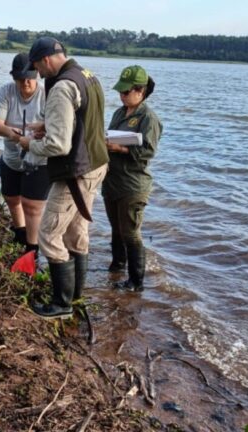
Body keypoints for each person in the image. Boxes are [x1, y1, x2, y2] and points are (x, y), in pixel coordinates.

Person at [18, 37, 109, 319]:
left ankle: (61, 304)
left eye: (36, 67)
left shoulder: (61, 87)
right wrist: (45, 124)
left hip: (74, 173)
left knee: (48, 234)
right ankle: (77, 296)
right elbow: (82, 119)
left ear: (46, 60)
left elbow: (59, 146)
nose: (36, 74)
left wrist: (28, 143)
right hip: (97, 165)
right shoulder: (88, 76)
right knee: (77, 231)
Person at [102, 65, 162, 292]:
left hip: (133, 185)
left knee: (130, 232)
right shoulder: (119, 113)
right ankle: (117, 267)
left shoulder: (148, 118)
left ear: (141, 91)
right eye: (121, 91)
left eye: (126, 92)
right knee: (115, 229)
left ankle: (136, 282)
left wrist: (121, 148)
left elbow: (148, 152)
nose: (122, 95)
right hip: (112, 181)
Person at [0, 53, 48, 254]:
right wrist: (15, 136)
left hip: (38, 160)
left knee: (31, 206)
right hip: (11, 157)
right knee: (11, 198)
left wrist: (42, 132)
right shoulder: (5, 92)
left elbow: (59, 126)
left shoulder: (47, 95)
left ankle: (32, 250)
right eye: (20, 79)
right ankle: (20, 234)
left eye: (30, 78)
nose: (25, 83)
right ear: (14, 78)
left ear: (37, 75)